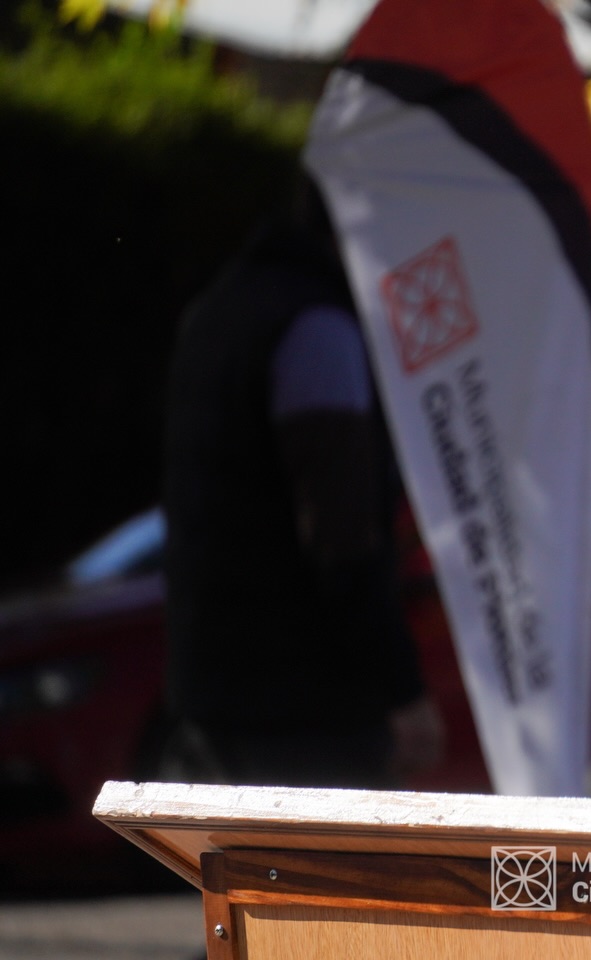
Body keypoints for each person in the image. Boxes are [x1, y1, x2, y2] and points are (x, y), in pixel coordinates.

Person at [159, 176, 444, 789]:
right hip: (307, 706)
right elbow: (342, 532)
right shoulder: (317, 327)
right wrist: (400, 689)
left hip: (217, 689)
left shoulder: (222, 307)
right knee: (328, 855)